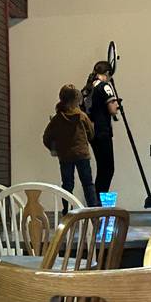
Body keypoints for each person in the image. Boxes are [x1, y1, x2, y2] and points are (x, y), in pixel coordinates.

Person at [42, 84, 98, 212]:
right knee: (88, 183)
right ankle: (93, 210)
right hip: (82, 154)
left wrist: (54, 148)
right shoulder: (82, 116)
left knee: (67, 185)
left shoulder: (57, 119)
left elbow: (46, 137)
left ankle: (67, 211)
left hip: (65, 156)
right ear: (77, 99)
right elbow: (91, 133)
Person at [82, 61, 119, 205]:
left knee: (101, 167)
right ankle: (98, 202)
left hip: (91, 132)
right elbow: (112, 109)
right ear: (108, 73)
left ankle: (95, 201)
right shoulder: (105, 86)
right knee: (108, 168)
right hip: (103, 131)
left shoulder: (87, 88)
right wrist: (116, 105)